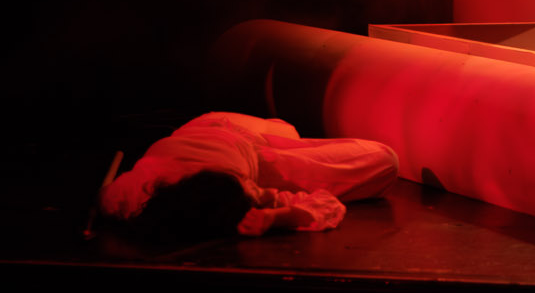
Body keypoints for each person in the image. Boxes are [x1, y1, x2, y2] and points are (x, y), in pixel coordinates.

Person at [99, 112, 398, 241]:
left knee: (289, 130)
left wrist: (274, 215)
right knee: (383, 159)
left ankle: (279, 136)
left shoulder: (128, 197)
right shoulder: (130, 195)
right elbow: (323, 204)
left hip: (234, 134)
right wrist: (275, 217)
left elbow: (325, 204)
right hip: (216, 127)